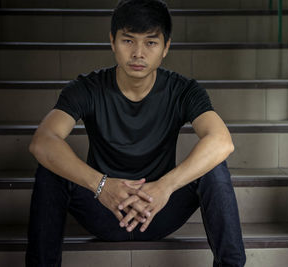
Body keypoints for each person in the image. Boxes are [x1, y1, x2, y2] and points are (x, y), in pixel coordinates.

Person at [25, 0, 246, 266]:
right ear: (112, 41)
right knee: (51, 168)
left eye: (151, 43)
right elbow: (43, 141)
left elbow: (221, 141)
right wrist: (101, 185)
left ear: (166, 47)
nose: (138, 53)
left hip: (160, 210)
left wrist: (165, 187)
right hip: (103, 210)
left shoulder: (183, 90)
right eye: (128, 41)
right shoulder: (87, 88)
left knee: (214, 167)